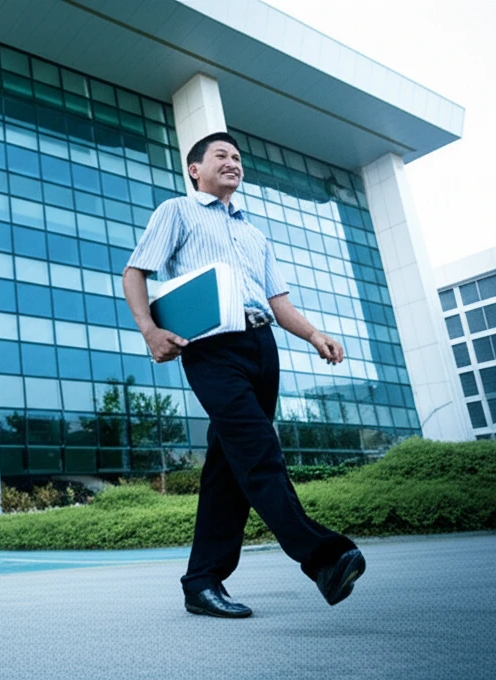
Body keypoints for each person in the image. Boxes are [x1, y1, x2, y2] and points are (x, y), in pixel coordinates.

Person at [121, 131, 365, 618]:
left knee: (228, 469)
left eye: (237, 157)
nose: (233, 163)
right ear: (195, 169)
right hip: (211, 348)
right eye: (221, 156)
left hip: (261, 346)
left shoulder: (254, 233)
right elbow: (135, 272)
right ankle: (323, 556)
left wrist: (315, 336)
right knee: (258, 452)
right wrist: (150, 331)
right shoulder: (178, 211)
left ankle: (202, 582)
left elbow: (279, 302)